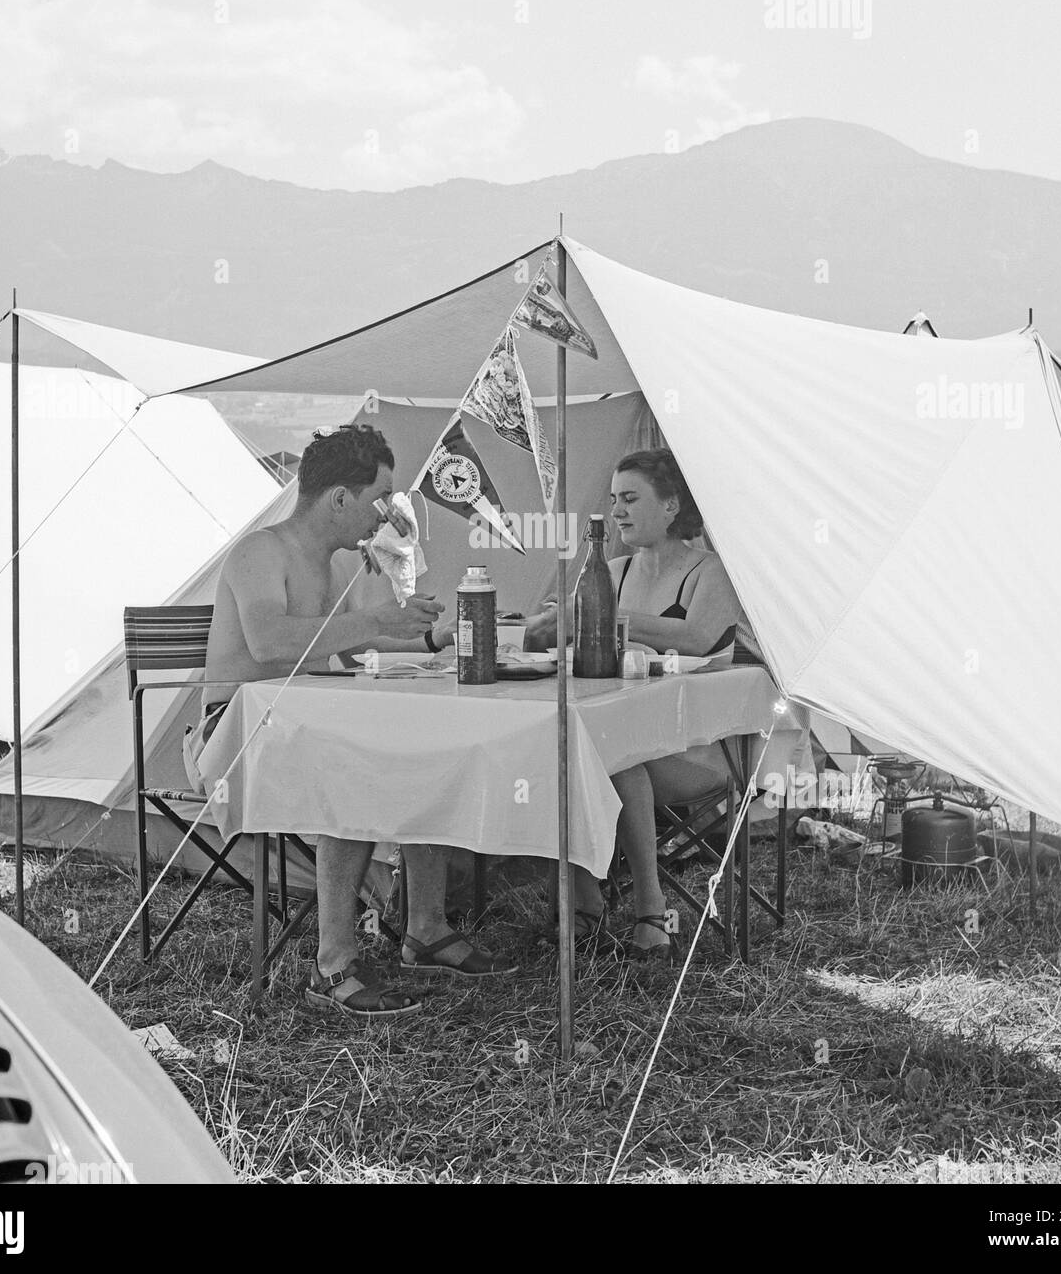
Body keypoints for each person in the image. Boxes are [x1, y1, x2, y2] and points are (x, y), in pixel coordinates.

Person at [200, 423, 517, 1016]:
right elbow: (270, 643)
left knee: (421, 749)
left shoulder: (341, 565)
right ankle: (333, 965)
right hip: (237, 733)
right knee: (355, 768)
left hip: (302, 723)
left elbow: (341, 649)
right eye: (380, 498)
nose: (387, 515)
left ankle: (425, 927)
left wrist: (427, 639)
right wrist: (376, 623)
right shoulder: (259, 552)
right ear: (340, 498)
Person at [527, 448, 747, 960]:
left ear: (671, 506)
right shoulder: (612, 570)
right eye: (613, 500)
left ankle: (644, 906)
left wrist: (602, 613)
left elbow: (696, 638)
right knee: (574, 750)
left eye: (629, 498)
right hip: (626, 740)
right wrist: (548, 629)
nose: (616, 511)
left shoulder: (712, 572)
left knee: (612, 760)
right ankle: (593, 901)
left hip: (700, 752)